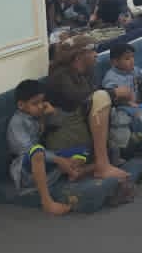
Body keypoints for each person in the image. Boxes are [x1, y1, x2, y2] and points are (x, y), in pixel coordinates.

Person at [44, 35, 130, 182]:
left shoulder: (85, 73)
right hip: (65, 139)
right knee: (101, 97)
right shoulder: (59, 76)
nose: (96, 54)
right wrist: (114, 93)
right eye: (92, 51)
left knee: (130, 141)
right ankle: (102, 166)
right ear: (78, 56)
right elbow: (81, 99)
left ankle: (87, 168)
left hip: (82, 134)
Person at [8, 79, 93, 216]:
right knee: (37, 151)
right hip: (25, 167)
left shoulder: (39, 115)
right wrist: (59, 160)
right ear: (21, 105)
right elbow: (27, 150)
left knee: (83, 149)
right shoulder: (17, 122)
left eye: (42, 101)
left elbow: (61, 121)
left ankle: (74, 170)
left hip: (46, 159)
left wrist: (52, 112)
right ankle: (47, 202)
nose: (40, 106)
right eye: (35, 103)